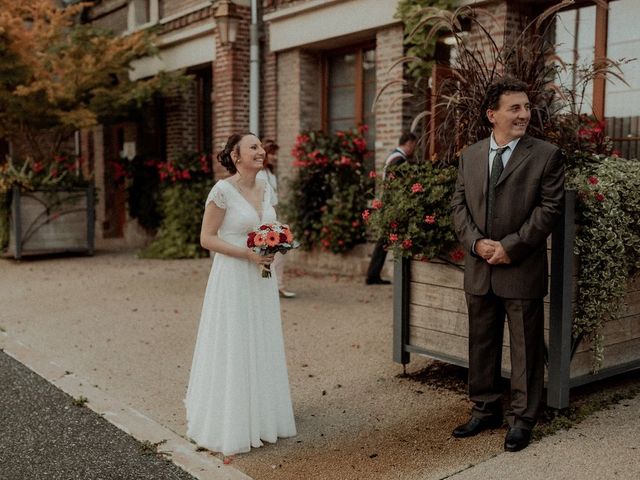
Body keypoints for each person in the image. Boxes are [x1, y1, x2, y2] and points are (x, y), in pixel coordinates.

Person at [450, 77, 564, 452]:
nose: (524, 115)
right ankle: (484, 409)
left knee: (525, 349)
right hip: (479, 267)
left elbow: (549, 210)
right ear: (491, 115)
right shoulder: (469, 155)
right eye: (514, 108)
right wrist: (475, 242)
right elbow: (458, 207)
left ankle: (522, 419)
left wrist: (511, 247)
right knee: (480, 343)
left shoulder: (546, 155)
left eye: (527, 107)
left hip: (520, 266)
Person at [185, 133, 296, 457]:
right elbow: (206, 238)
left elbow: (269, 225)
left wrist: (277, 242)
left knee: (260, 339)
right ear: (235, 156)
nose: (261, 151)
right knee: (234, 341)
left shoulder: (265, 185)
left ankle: (261, 416)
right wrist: (246, 254)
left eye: (261, 146)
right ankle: (231, 418)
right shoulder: (221, 191)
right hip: (233, 275)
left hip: (261, 277)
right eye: (253, 147)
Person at [365, 131, 418, 285]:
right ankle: (374, 276)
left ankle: (373, 275)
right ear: (408, 143)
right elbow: (397, 185)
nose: (414, 149)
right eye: (413, 145)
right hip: (393, 205)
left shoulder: (393, 156)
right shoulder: (398, 160)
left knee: (384, 241)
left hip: (389, 204)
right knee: (385, 241)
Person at [257, 139, 296, 298]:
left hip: (272, 215)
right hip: (262, 217)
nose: (275, 157)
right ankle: (267, 285)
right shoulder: (259, 174)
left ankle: (276, 284)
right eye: (272, 153)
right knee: (268, 251)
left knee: (278, 250)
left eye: (275, 154)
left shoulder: (270, 174)